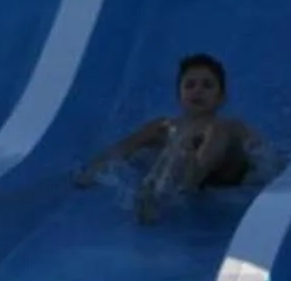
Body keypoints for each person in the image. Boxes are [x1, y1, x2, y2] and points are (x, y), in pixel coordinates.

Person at [76, 53, 264, 222]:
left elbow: (263, 156)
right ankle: (157, 192)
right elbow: (121, 150)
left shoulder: (232, 127)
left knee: (212, 132)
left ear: (221, 97)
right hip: (192, 175)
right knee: (174, 140)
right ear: (179, 94)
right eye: (189, 85)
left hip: (226, 177)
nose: (197, 91)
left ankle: (180, 182)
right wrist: (91, 172)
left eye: (207, 85)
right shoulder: (165, 127)